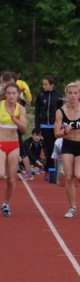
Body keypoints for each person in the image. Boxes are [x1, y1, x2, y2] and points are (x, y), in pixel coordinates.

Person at [54, 82, 80, 219]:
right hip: (68, 145)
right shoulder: (60, 112)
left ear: (79, 94)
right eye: (70, 93)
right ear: (66, 94)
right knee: (68, 177)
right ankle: (72, 206)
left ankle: (73, 202)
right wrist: (64, 132)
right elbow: (56, 133)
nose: (72, 96)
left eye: (75, 93)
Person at [0, 83, 28, 217]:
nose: (11, 96)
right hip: (0, 143)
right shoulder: (0, 106)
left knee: (11, 179)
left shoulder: (21, 109)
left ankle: (6, 203)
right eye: (9, 93)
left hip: (13, 145)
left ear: (18, 94)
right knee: (0, 173)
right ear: (5, 94)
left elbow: (24, 129)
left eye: (14, 93)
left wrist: (14, 119)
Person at [34, 75, 64, 180]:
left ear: (52, 85)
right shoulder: (40, 95)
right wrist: (37, 126)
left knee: (56, 149)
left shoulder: (58, 96)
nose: (43, 86)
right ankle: (49, 171)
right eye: (43, 84)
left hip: (55, 126)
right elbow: (37, 112)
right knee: (48, 149)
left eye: (46, 84)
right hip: (44, 126)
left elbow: (62, 112)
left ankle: (57, 170)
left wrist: (61, 125)